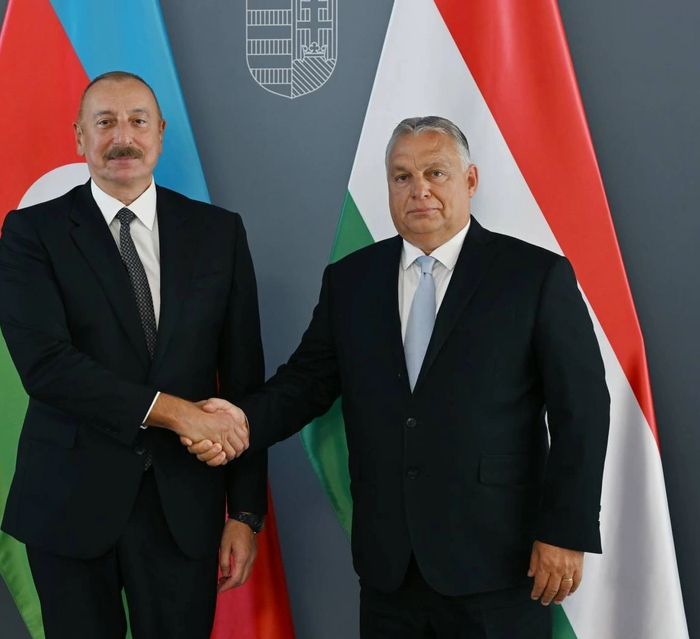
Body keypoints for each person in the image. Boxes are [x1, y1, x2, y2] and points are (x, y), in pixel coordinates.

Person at [186, 117, 610, 638]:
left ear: (470, 180)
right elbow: (307, 383)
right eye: (402, 176)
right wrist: (240, 421)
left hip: (500, 560)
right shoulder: (351, 280)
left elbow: (582, 411)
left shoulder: (535, 276)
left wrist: (565, 530)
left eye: (436, 172)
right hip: (389, 566)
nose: (419, 189)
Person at [0, 71, 267, 639]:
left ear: (160, 133)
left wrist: (244, 513)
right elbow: (46, 366)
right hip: (69, 501)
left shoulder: (219, 233)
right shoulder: (32, 233)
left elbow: (244, 380)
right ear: (79, 137)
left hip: (183, 506)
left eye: (138, 121)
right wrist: (177, 412)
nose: (123, 137)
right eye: (105, 122)